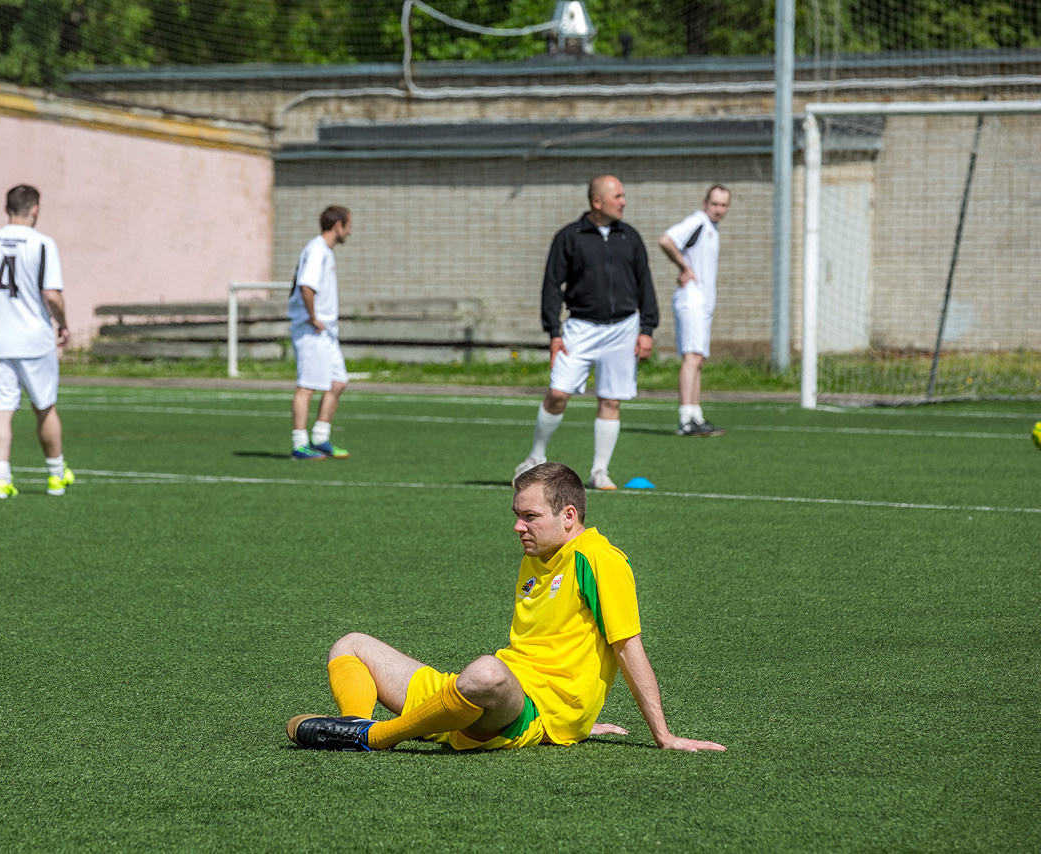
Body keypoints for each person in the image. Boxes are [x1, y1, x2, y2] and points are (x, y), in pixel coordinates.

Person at [287, 462, 726, 755]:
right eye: (517, 515)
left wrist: (662, 735)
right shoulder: (535, 556)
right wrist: (586, 723)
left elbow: (629, 649)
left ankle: (378, 738)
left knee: (487, 672)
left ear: (569, 515)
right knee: (351, 644)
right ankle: (354, 727)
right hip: (473, 701)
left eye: (530, 517)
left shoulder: (600, 560)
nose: (519, 526)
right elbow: (550, 646)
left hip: (524, 713)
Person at [515, 176, 659, 492]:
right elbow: (551, 286)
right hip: (579, 328)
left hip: (623, 329)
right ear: (597, 201)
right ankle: (535, 458)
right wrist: (554, 331)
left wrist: (647, 329)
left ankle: (599, 472)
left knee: (611, 400)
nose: (623, 201)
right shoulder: (569, 236)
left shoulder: (630, 237)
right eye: (617, 196)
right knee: (557, 393)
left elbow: (645, 284)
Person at [0, 184, 74, 498]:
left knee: (1, 410)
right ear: (35, 209)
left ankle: (1, 480)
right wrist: (64, 325)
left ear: (6, 207)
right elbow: (51, 295)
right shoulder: (42, 244)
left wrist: (2, 303)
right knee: (45, 408)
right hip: (34, 341)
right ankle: (56, 476)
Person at [658, 185, 732, 437]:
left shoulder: (712, 228)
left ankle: (695, 415)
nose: (719, 210)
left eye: (724, 205)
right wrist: (684, 267)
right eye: (715, 204)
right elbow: (666, 239)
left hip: (704, 302)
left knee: (698, 358)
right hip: (691, 300)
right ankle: (685, 418)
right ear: (705, 203)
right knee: (691, 357)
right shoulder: (698, 221)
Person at [288, 205, 353, 461]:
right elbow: (306, 286)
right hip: (312, 329)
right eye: (348, 225)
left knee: (338, 382)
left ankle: (320, 438)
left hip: (326, 332)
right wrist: (313, 317)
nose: (350, 231)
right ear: (338, 225)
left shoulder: (324, 251)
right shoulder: (317, 250)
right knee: (307, 387)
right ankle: (299, 444)